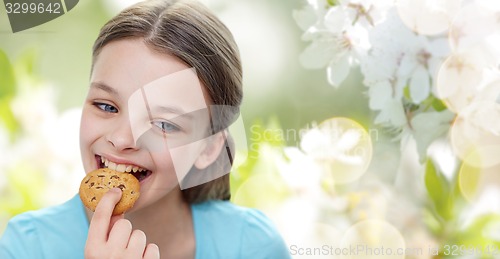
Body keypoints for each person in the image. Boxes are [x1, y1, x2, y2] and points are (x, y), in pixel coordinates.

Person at [0, 0, 291, 258]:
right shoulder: (28, 247)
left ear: (209, 147)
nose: (122, 139)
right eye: (106, 106)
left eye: (164, 124)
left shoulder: (252, 247)